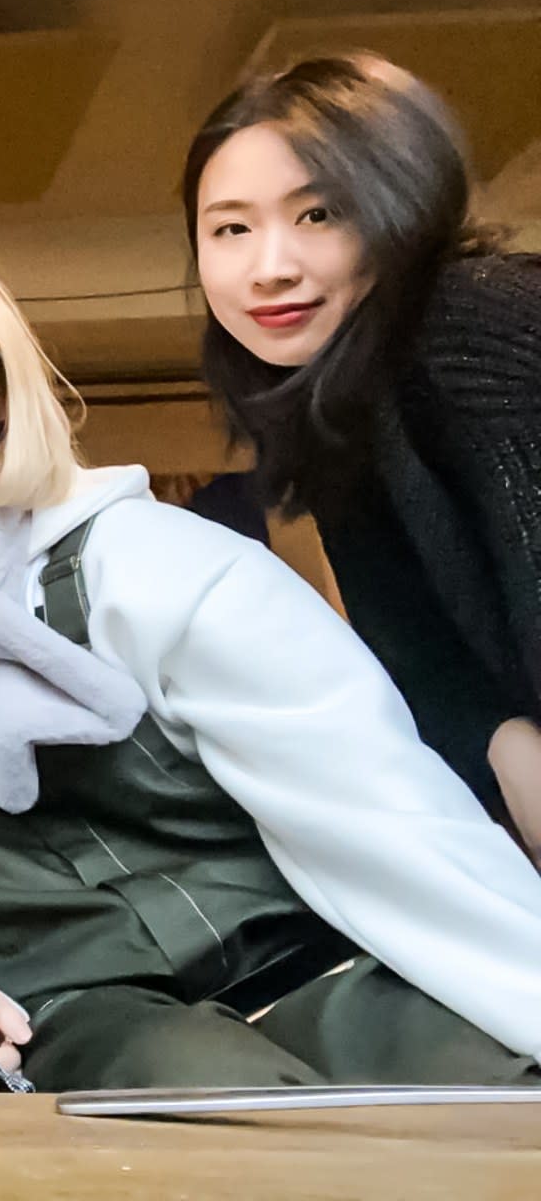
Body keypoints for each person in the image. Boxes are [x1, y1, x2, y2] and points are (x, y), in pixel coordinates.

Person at [0, 234, 541, 1092]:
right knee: (225, 1135)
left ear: (1, 395)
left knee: (483, 1097)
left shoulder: (147, 559)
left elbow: (379, 806)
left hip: (316, 960)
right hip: (73, 1017)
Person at [186, 52, 541, 858]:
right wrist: (500, 741)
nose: (271, 268)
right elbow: (416, 654)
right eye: (231, 228)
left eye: (318, 215)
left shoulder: (475, 323)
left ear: (403, 203)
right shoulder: (339, 406)